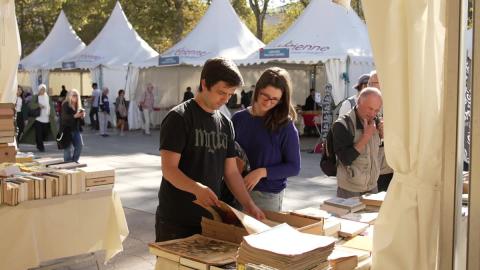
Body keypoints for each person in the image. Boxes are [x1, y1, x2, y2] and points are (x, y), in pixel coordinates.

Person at [156, 57, 264, 242]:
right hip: (176, 220)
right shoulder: (179, 118)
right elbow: (169, 169)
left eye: (230, 94)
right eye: (221, 92)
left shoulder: (225, 124)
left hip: (212, 220)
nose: (225, 99)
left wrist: (249, 204)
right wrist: (197, 188)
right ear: (204, 84)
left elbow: (230, 172)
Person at [232, 67, 301, 211]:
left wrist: (261, 172)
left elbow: (294, 167)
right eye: (266, 96)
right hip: (235, 192)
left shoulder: (285, 125)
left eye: (275, 99)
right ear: (257, 90)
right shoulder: (238, 119)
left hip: (266, 197)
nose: (269, 102)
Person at [332, 88, 383, 198]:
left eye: (377, 110)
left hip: (372, 187)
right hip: (349, 190)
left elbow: (380, 152)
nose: (373, 114)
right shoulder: (342, 124)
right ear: (359, 102)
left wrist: (384, 136)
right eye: (370, 109)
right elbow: (345, 159)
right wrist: (366, 137)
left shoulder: (376, 121)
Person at [367, 70, 394, 192]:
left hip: (386, 166)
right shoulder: (360, 103)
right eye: (368, 83)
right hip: (367, 166)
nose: (369, 86)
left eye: (373, 83)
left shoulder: (392, 104)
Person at [21, 84, 57, 152]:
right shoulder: (36, 97)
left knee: (45, 133)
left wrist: (54, 115)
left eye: (43, 89)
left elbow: (51, 106)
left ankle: (38, 143)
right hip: (38, 119)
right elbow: (31, 105)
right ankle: (41, 147)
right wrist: (38, 105)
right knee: (39, 133)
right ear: (39, 90)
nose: (42, 91)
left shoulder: (47, 97)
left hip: (46, 119)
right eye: (41, 89)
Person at [61, 89, 85, 162]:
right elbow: (64, 117)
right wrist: (75, 116)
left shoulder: (78, 106)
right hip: (66, 129)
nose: (76, 97)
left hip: (75, 129)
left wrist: (82, 116)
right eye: (74, 95)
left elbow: (81, 122)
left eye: (77, 96)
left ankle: (74, 161)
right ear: (69, 96)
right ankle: (67, 163)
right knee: (67, 149)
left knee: (79, 146)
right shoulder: (65, 104)